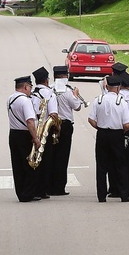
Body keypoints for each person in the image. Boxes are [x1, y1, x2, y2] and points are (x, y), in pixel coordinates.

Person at [88, 74, 129, 202]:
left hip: (102, 134)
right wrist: (121, 131)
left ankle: (101, 196)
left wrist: (100, 128)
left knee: (101, 166)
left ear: (106, 87)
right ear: (118, 88)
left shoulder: (98, 100)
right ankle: (124, 194)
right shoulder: (121, 102)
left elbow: (91, 119)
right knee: (120, 165)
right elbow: (127, 124)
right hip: (117, 134)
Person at [7, 75, 42, 202]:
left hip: (13, 134)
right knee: (30, 164)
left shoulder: (10, 98)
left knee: (17, 165)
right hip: (25, 135)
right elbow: (30, 121)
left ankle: (21, 193)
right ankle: (28, 193)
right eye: (30, 87)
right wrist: (36, 138)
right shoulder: (25, 101)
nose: (30, 90)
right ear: (26, 86)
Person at [49, 65, 82, 196]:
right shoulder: (68, 91)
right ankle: (59, 187)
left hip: (51, 125)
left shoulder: (49, 89)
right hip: (65, 125)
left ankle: (49, 184)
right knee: (62, 156)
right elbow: (77, 107)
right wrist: (76, 95)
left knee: (51, 155)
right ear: (64, 77)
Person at [31, 66, 59, 199]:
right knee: (44, 160)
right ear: (47, 81)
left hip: (32, 130)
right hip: (44, 132)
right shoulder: (50, 94)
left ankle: (33, 188)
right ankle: (42, 190)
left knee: (33, 159)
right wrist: (57, 127)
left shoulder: (30, 94)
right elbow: (53, 115)